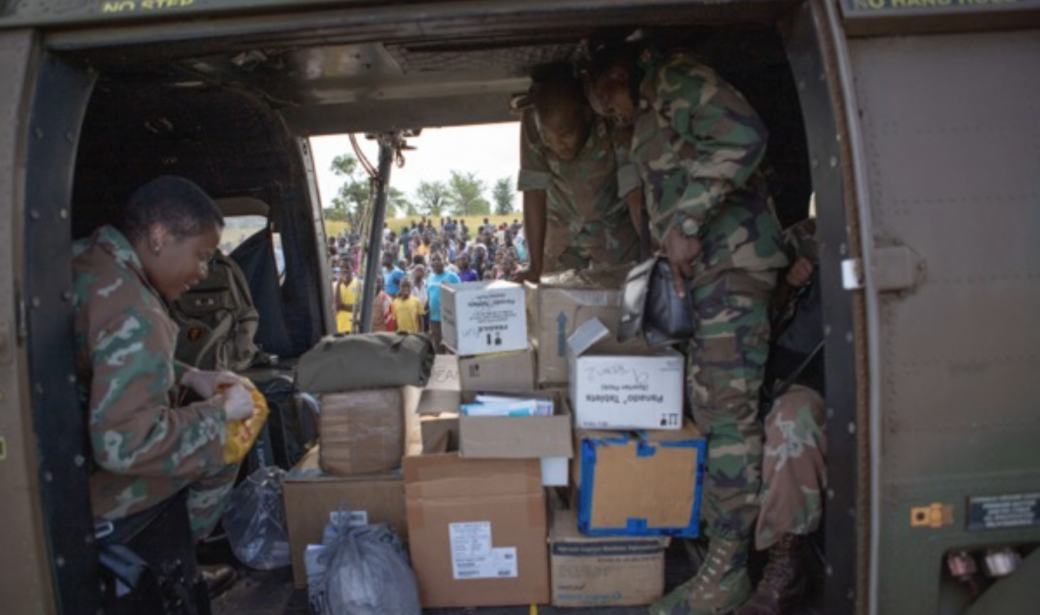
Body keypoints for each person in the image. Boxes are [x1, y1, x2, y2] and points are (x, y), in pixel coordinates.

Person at [586, 46, 788, 615]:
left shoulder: (672, 78)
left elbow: (743, 134)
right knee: (708, 406)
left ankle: (727, 575)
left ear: (618, 78)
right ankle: (716, 553)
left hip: (730, 267)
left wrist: (688, 220)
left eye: (609, 105)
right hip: (708, 277)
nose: (615, 118)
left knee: (727, 416)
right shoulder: (654, 106)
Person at [73, 176, 256, 593]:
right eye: (201, 255)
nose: (203, 271)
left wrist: (191, 374)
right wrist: (218, 414)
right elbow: (124, 446)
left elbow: (105, 352)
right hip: (81, 494)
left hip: (57, 458)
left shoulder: (89, 261)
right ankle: (176, 569)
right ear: (158, 237)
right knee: (226, 441)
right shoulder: (139, 312)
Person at [736, 218, 825, 615]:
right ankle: (785, 561)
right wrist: (791, 284)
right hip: (808, 380)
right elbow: (755, 312)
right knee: (792, 419)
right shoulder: (804, 238)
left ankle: (787, 567)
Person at [516, 64, 643, 279]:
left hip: (614, 234)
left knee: (620, 304)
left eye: (566, 135)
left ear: (586, 114)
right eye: (548, 140)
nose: (558, 146)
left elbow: (633, 188)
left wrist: (653, 249)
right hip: (561, 238)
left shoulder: (610, 114)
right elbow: (533, 191)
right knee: (557, 305)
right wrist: (534, 266)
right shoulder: (533, 120)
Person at [426, 251, 460, 352]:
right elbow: (429, 296)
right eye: (433, 260)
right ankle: (441, 365)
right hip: (434, 318)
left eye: (439, 259)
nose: (436, 262)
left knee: (451, 345)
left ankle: (452, 366)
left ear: (444, 261)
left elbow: (459, 294)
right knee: (437, 343)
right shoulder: (430, 278)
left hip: (448, 316)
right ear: (430, 263)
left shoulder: (452, 277)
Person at [333, 257, 360, 333]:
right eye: (342, 267)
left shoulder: (359, 284)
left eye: (347, 267)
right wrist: (338, 284)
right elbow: (336, 307)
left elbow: (358, 307)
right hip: (338, 327)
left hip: (353, 328)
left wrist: (343, 306)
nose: (344, 270)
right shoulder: (334, 285)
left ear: (353, 268)